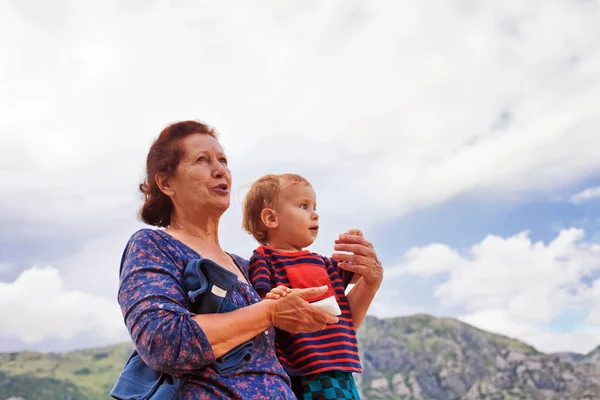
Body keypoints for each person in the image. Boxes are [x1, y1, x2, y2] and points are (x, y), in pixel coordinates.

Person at [113, 120, 383, 399]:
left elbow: (321, 331)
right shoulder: (153, 245)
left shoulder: (246, 266)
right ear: (166, 182)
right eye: (202, 160)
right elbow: (164, 342)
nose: (220, 170)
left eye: (223, 160)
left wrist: (369, 284)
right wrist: (268, 313)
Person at [242, 173, 380, 399]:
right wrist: (272, 298)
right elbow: (263, 305)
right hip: (305, 369)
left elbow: (357, 278)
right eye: (303, 206)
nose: (314, 214)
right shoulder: (263, 258)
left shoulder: (325, 262)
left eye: (314, 206)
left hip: (342, 366)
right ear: (271, 219)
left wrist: (357, 248)